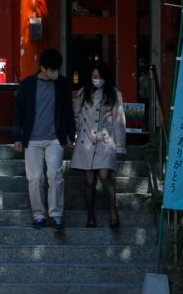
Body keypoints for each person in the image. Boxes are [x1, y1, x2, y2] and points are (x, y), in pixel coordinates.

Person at [12, 48, 75, 232]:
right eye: (52, 69)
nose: (55, 72)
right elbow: (18, 112)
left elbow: (68, 111)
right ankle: (39, 215)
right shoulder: (28, 85)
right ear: (43, 68)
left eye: (57, 69)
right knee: (35, 177)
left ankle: (56, 215)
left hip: (55, 138)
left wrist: (71, 135)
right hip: (32, 139)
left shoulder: (62, 84)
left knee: (55, 175)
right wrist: (17, 137)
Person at [73, 61, 127, 227]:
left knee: (104, 176)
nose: (96, 79)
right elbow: (76, 115)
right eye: (94, 76)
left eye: (99, 76)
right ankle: (90, 215)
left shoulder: (114, 93)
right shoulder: (83, 92)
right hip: (86, 140)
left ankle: (113, 211)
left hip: (105, 140)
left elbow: (119, 120)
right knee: (89, 181)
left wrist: (120, 146)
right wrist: (73, 135)